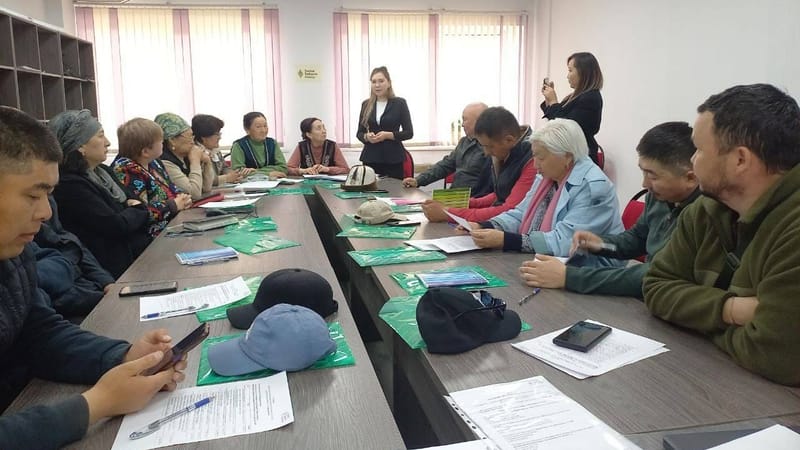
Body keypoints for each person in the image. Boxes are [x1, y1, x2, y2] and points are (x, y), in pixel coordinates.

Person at [0, 106, 187, 448]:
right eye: (32, 195)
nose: (45, 213)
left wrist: (125, 356)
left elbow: (39, 333)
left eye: (48, 196)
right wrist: (96, 404)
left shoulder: (12, 254)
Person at [643, 84, 800, 386]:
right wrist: (732, 310)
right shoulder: (704, 210)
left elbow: (779, 355)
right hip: (717, 381)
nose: (692, 161)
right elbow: (656, 287)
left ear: (740, 160)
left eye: (699, 150)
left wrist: (698, 317)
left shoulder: (793, 226)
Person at [519, 122, 700, 296]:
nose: (645, 184)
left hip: (660, 297)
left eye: (652, 176)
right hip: (647, 295)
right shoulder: (659, 197)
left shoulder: (702, 214)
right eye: (643, 172)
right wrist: (601, 244)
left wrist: (569, 277)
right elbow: (637, 239)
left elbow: (654, 275)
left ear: (690, 178)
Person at [465, 119, 623, 267]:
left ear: (567, 157)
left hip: (592, 270)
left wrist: (506, 240)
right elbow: (521, 213)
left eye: (540, 158)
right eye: (534, 156)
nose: (535, 165)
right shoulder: (547, 176)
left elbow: (565, 242)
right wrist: (484, 225)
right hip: (551, 263)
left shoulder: (592, 187)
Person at [49, 110, 152, 279]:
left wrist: (134, 210)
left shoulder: (103, 171)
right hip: (111, 269)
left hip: (136, 257)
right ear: (80, 145)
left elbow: (138, 208)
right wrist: (137, 209)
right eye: (100, 136)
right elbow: (116, 225)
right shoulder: (70, 184)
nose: (108, 142)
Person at [422, 106, 535, 223]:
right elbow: (501, 195)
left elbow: (509, 211)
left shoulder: (532, 160)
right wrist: (460, 203)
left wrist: (448, 213)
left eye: (489, 146)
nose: (486, 153)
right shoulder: (508, 151)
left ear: (509, 140)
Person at [33, 196, 113, 317]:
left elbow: (69, 242)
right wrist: (100, 298)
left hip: (85, 288)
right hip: (71, 305)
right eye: (32, 196)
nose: (47, 213)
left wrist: (105, 281)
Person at [112, 118, 192, 237]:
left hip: (172, 224)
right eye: (160, 142)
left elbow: (172, 188)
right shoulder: (126, 169)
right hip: (150, 236)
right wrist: (173, 205)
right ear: (145, 151)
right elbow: (141, 212)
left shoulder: (154, 162)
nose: (163, 144)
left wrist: (183, 199)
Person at [403, 102, 489, 191]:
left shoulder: (490, 147)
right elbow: (445, 165)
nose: (462, 124)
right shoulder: (464, 142)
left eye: (465, 120)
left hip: (477, 196)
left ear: (479, 121)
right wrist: (418, 180)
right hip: (456, 194)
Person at [541, 52, 603, 165]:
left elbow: (565, 127)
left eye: (570, 70)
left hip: (580, 158)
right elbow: (556, 117)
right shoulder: (576, 95)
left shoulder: (590, 98)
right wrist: (548, 100)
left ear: (583, 73)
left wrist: (554, 101)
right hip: (569, 155)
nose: (567, 76)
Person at [356, 66, 413, 179]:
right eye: (374, 82)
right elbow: (359, 133)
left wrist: (388, 135)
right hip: (371, 158)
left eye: (381, 81)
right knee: (370, 189)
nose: (377, 85)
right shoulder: (366, 104)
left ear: (389, 83)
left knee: (393, 189)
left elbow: (409, 133)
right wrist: (367, 137)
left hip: (393, 158)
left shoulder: (400, 103)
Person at [154, 113, 215, 201]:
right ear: (172, 140)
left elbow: (206, 188)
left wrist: (207, 162)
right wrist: (195, 162)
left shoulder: (185, 156)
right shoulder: (165, 162)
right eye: (189, 137)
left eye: (192, 136)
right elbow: (194, 194)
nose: (193, 141)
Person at [191, 114, 253, 186]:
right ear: (204, 137)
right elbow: (204, 181)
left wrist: (235, 175)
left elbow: (224, 167)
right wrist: (226, 178)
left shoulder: (215, 150)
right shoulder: (195, 153)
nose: (220, 137)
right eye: (217, 134)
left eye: (219, 134)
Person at [230, 111, 287, 178]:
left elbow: (283, 168)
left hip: (274, 182)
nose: (263, 130)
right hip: (249, 184)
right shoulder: (239, 145)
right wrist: (268, 174)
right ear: (247, 129)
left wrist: (256, 172)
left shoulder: (272, 143)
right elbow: (238, 172)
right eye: (258, 127)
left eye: (265, 126)